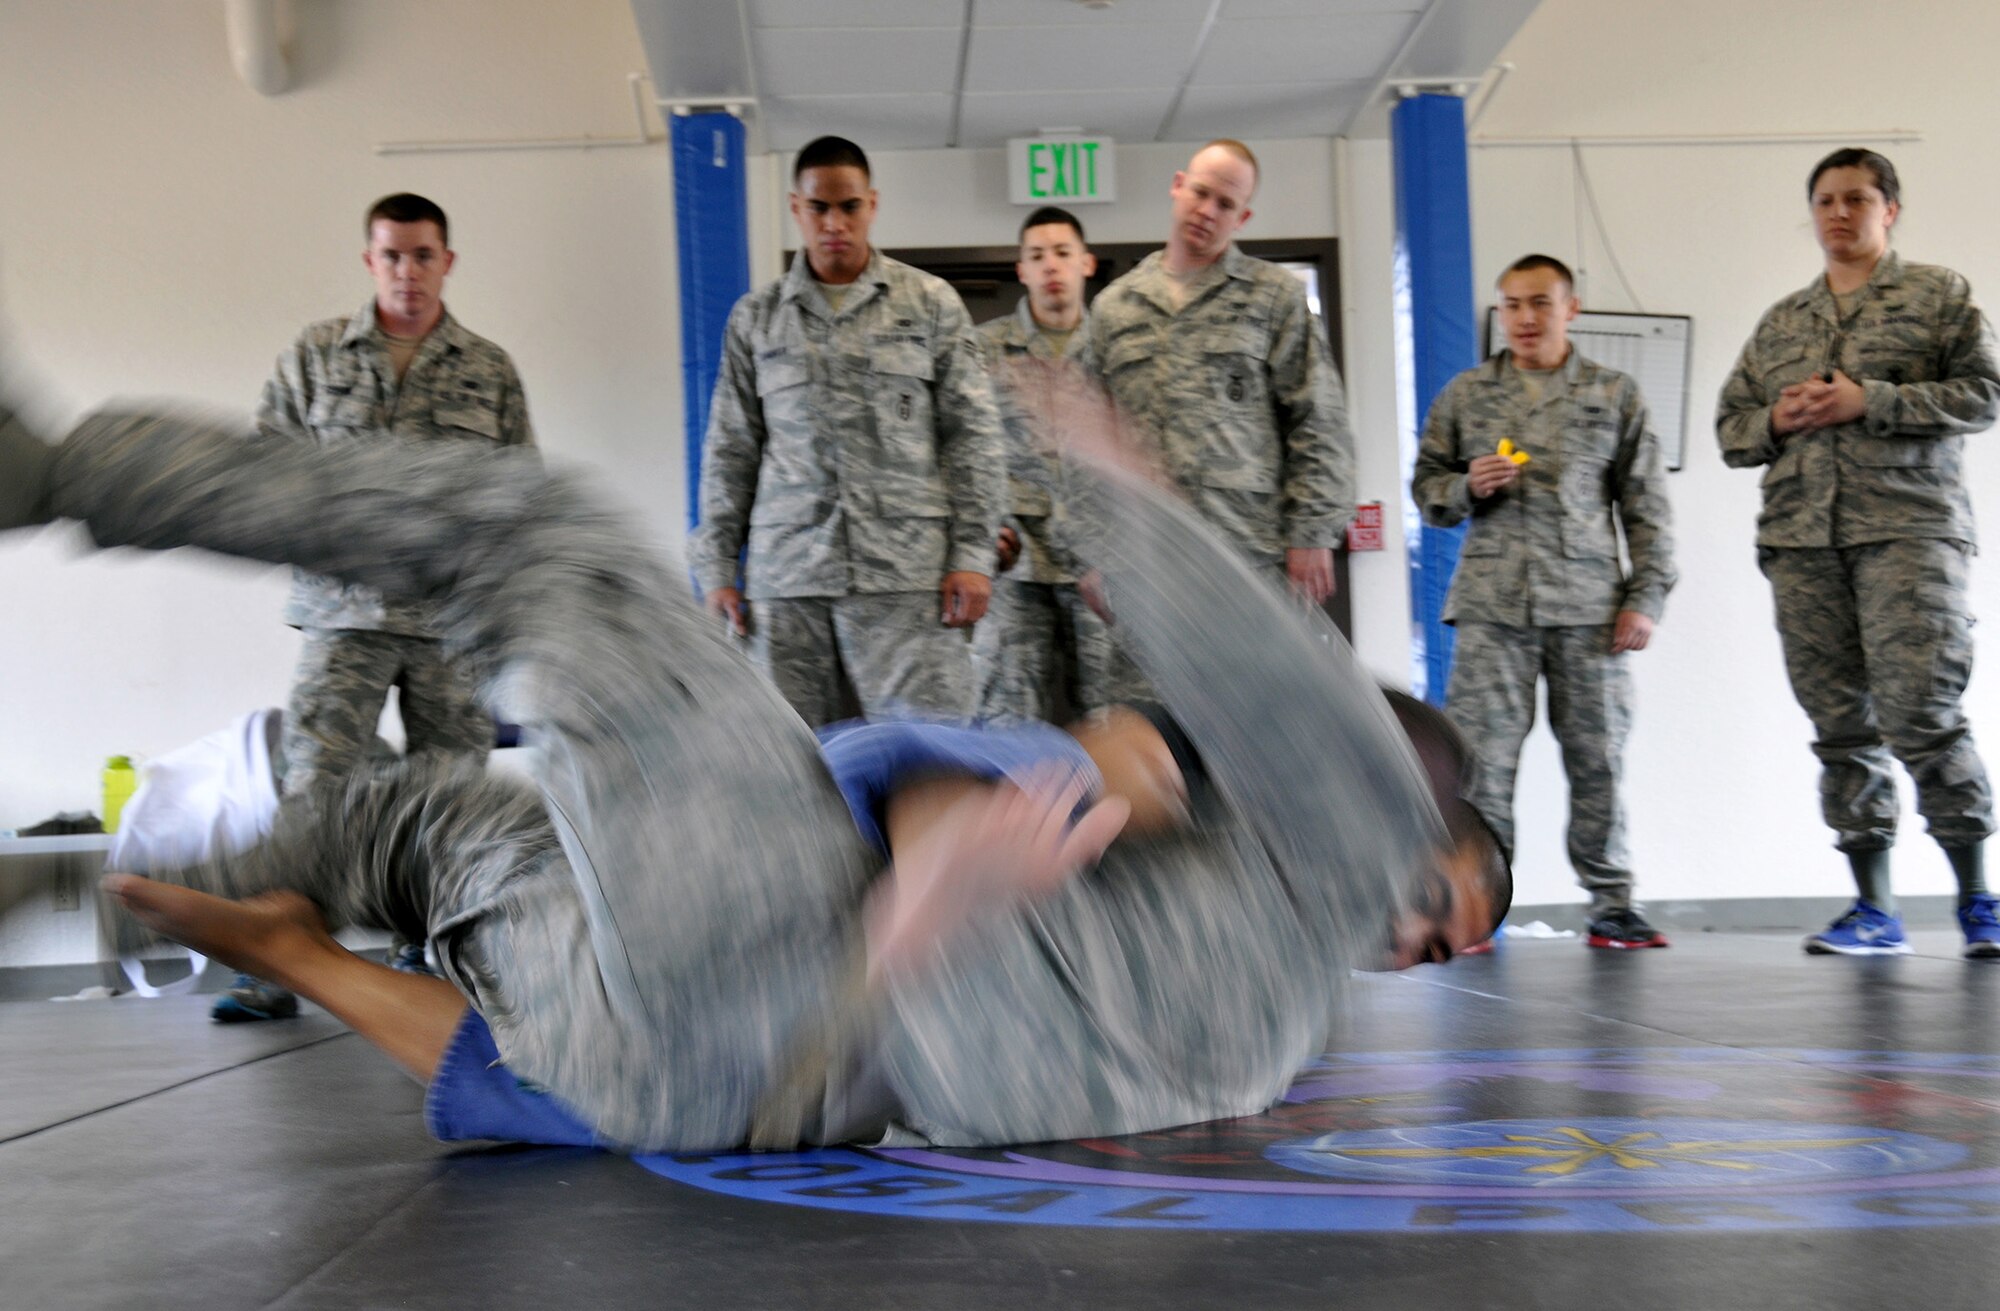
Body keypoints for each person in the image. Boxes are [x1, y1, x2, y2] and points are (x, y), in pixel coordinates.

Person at [0, 367, 1504, 1153]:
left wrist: (1123, 493)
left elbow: (1271, 684)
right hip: (652, 1063)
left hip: (766, 984)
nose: (1426, 947)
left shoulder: (1292, 906)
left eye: (1444, 943)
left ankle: (58, 471)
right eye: (1446, 911)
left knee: (544, 535)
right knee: (433, 820)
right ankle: (113, 886)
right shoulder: (1251, 971)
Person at [225, 192, 535, 1022]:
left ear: (447, 261)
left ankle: (435, 949)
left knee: (451, 792)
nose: (407, 271)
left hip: (451, 620)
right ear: (370, 260)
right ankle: (278, 959)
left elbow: (518, 492)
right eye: (392, 255)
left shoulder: (489, 368)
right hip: (346, 611)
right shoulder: (316, 356)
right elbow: (267, 470)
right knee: (315, 786)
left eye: (423, 254)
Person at [1717, 148, 2000, 959]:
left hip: (1910, 532)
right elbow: (1732, 429)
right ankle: (1873, 909)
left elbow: (1985, 393)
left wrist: (1867, 398)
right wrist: (1778, 419)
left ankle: (1980, 897)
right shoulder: (1781, 321)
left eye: (1857, 199)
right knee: (1841, 728)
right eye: (1825, 201)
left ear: (1890, 210)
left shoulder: (1938, 295)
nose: (1839, 213)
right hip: (1803, 542)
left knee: (1923, 715)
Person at [693, 136, 1005, 727]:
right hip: (788, 583)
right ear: (796, 209)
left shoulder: (930, 304)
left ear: (873, 205)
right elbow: (731, 448)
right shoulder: (756, 318)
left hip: (907, 579)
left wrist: (973, 555)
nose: (835, 223)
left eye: (850, 206)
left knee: (930, 757)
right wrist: (715, 570)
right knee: (791, 763)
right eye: (819, 208)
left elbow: (974, 437)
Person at [1412, 255, 1678, 950]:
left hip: (1592, 610)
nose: (1525, 318)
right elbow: (1427, 492)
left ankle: (1612, 902)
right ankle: (1477, 905)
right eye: (1511, 305)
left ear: (1571, 308)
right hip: (1493, 608)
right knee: (1483, 765)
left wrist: (1645, 596)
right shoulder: (1467, 395)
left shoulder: (1613, 393)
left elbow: (1648, 508)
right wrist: (1466, 485)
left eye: (1539, 303)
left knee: (1599, 759)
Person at [1084, 139, 1354, 605]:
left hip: (1246, 554)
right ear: (1178, 186)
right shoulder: (1115, 306)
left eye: (1226, 204)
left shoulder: (1274, 298)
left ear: (1242, 218)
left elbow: (1319, 419)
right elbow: (1088, 432)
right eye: (1201, 193)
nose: (1208, 210)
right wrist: (1087, 550)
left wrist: (1313, 532)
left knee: (1250, 680)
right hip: (1142, 558)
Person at [973, 206, 1133, 723]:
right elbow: (962, 446)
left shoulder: (1118, 346)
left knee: (1112, 714)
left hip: (1102, 559)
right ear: (1021, 270)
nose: (1050, 266)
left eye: (1062, 253)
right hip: (1018, 562)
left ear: (1086, 263)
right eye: (1037, 256)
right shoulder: (983, 349)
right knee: (1007, 719)